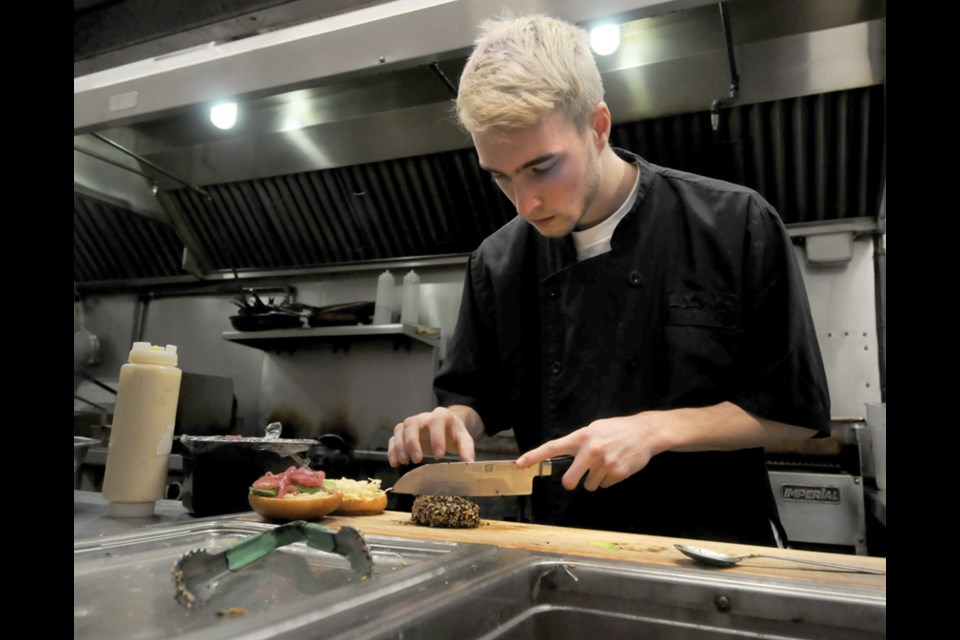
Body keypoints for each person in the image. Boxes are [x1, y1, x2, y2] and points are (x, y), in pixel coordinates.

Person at [387, 13, 830, 547]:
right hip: (565, 551)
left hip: (713, 552)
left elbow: (796, 414)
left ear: (598, 127)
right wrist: (450, 420)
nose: (525, 202)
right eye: (501, 177)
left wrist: (653, 429)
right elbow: (476, 399)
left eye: (542, 167)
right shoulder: (497, 262)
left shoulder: (735, 223)